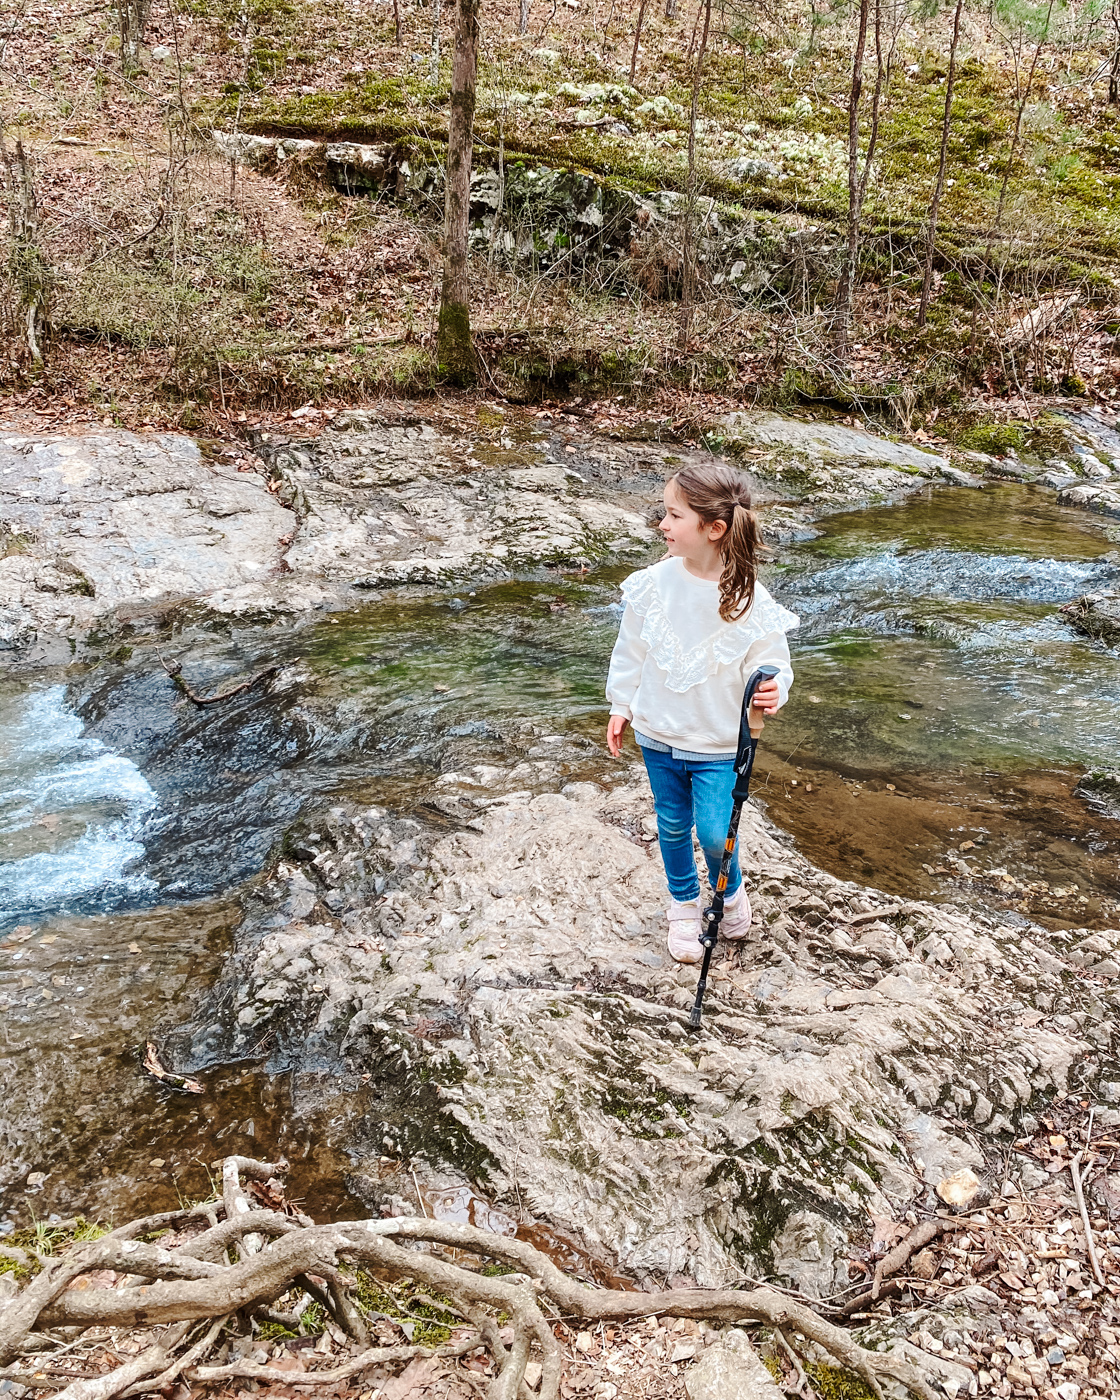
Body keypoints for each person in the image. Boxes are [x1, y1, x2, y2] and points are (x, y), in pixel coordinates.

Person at [605, 462, 797, 964]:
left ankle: (728, 891)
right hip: (658, 733)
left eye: (673, 516)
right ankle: (684, 904)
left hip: (716, 742)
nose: (662, 525)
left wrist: (774, 687)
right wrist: (620, 705)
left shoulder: (748, 597)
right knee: (670, 825)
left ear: (714, 529)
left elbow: (771, 660)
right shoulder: (651, 584)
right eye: (663, 514)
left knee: (716, 832)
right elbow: (630, 651)